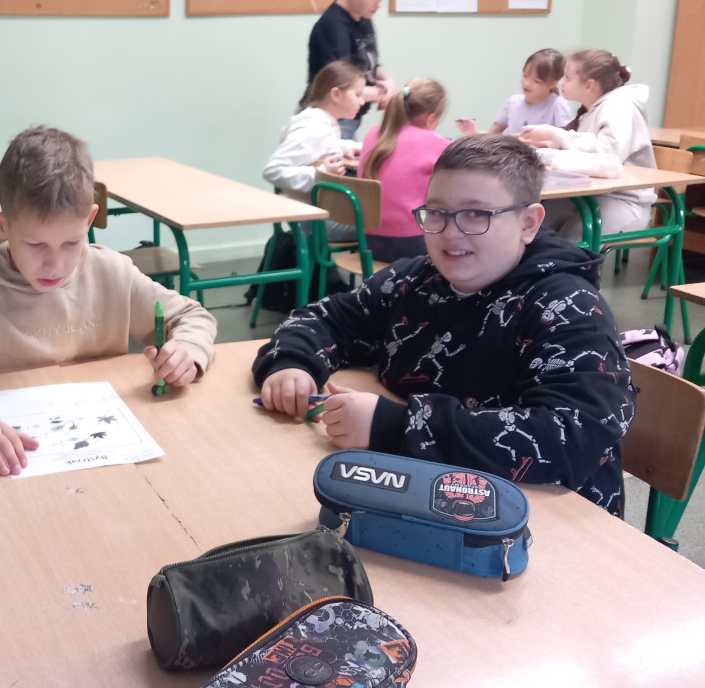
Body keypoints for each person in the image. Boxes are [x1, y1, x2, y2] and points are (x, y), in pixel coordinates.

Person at [252, 135, 635, 516]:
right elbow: (327, 317)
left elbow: (568, 436)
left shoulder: (568, 307)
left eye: (477, 214)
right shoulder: (413, 280)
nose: (451, 232)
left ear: (528, 223)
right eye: (436, 212)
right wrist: (294, 363)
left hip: (543, 523)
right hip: (423, 498)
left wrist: (393, 427)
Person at [0, 126, 217, 477]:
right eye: (36, 245)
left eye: (71, 242)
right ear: (1, 225)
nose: (55, 265)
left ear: (89, 220)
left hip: (108, 461)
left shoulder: (112, 273)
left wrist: (187, 351)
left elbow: (192, 316)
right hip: (11, 466)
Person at [518, 49, 656, 239]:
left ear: (589, 85)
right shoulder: (591, 112)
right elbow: (587, 152)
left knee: (572, 238)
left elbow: (609, 155)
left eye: (567, 77)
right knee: (533, 224)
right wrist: (552, 143)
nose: (561, 82)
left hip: (623, 201)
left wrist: (556, 135)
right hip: (588, 196)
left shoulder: (620, 107)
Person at [263, 60, 365, 243]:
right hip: (319, 221)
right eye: (357, 94)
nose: (362, 101)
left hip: (322, 213)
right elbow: (273, 170)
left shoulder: (323, 122)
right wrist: (320, 173)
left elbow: (322, 146)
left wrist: (345, 147)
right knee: (389, 224)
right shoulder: (313, 128)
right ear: (336, 94)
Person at [358, 78, 450, 261]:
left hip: (368, 243)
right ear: (431, 118)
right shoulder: (439, 144)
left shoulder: (373, 133)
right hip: (413, 247)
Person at [307, 0, 395, 140]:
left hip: (350, 117)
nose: (378, 4)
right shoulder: (333, 26)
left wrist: (387, 81)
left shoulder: (364, 17)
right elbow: (342, 87)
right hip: (330, 118)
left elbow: (370, 62)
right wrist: (381, 94)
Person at [456, 48, 573, 137]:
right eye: (525, 76)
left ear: (553, 83)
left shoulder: (558, 105)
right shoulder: (513, 102)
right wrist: (473, 132)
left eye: (536, 81)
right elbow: (492, 134)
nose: (527, 83)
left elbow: (565, 140)